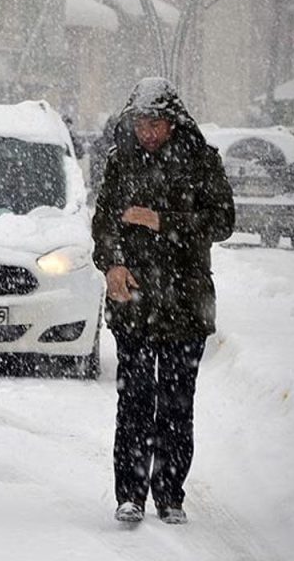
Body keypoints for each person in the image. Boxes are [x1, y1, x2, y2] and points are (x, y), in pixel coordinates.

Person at [91, 78, 235, 525]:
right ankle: (129, 494)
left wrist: (162, 220)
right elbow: (104, 225)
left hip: (186, 302)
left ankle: (170, 494)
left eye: (155, 123)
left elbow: (223, 221)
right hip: (133, 300)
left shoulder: (202, 161)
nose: (147, 132)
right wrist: (113, 263)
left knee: (176, 403)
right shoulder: (121, 162)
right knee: (134, 400)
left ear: (172, 122)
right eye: (140, 123)